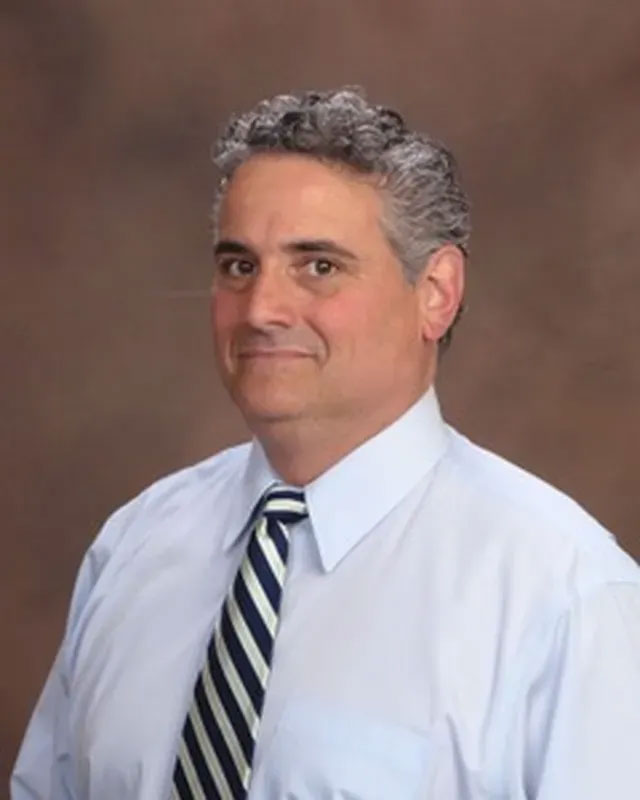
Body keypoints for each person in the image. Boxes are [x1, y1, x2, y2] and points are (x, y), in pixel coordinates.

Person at [11, 86, 640, 800]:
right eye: (239, 266)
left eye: (319, 266)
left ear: (436, 291)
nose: (261, 309)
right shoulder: (132, 548)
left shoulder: (564, 596)